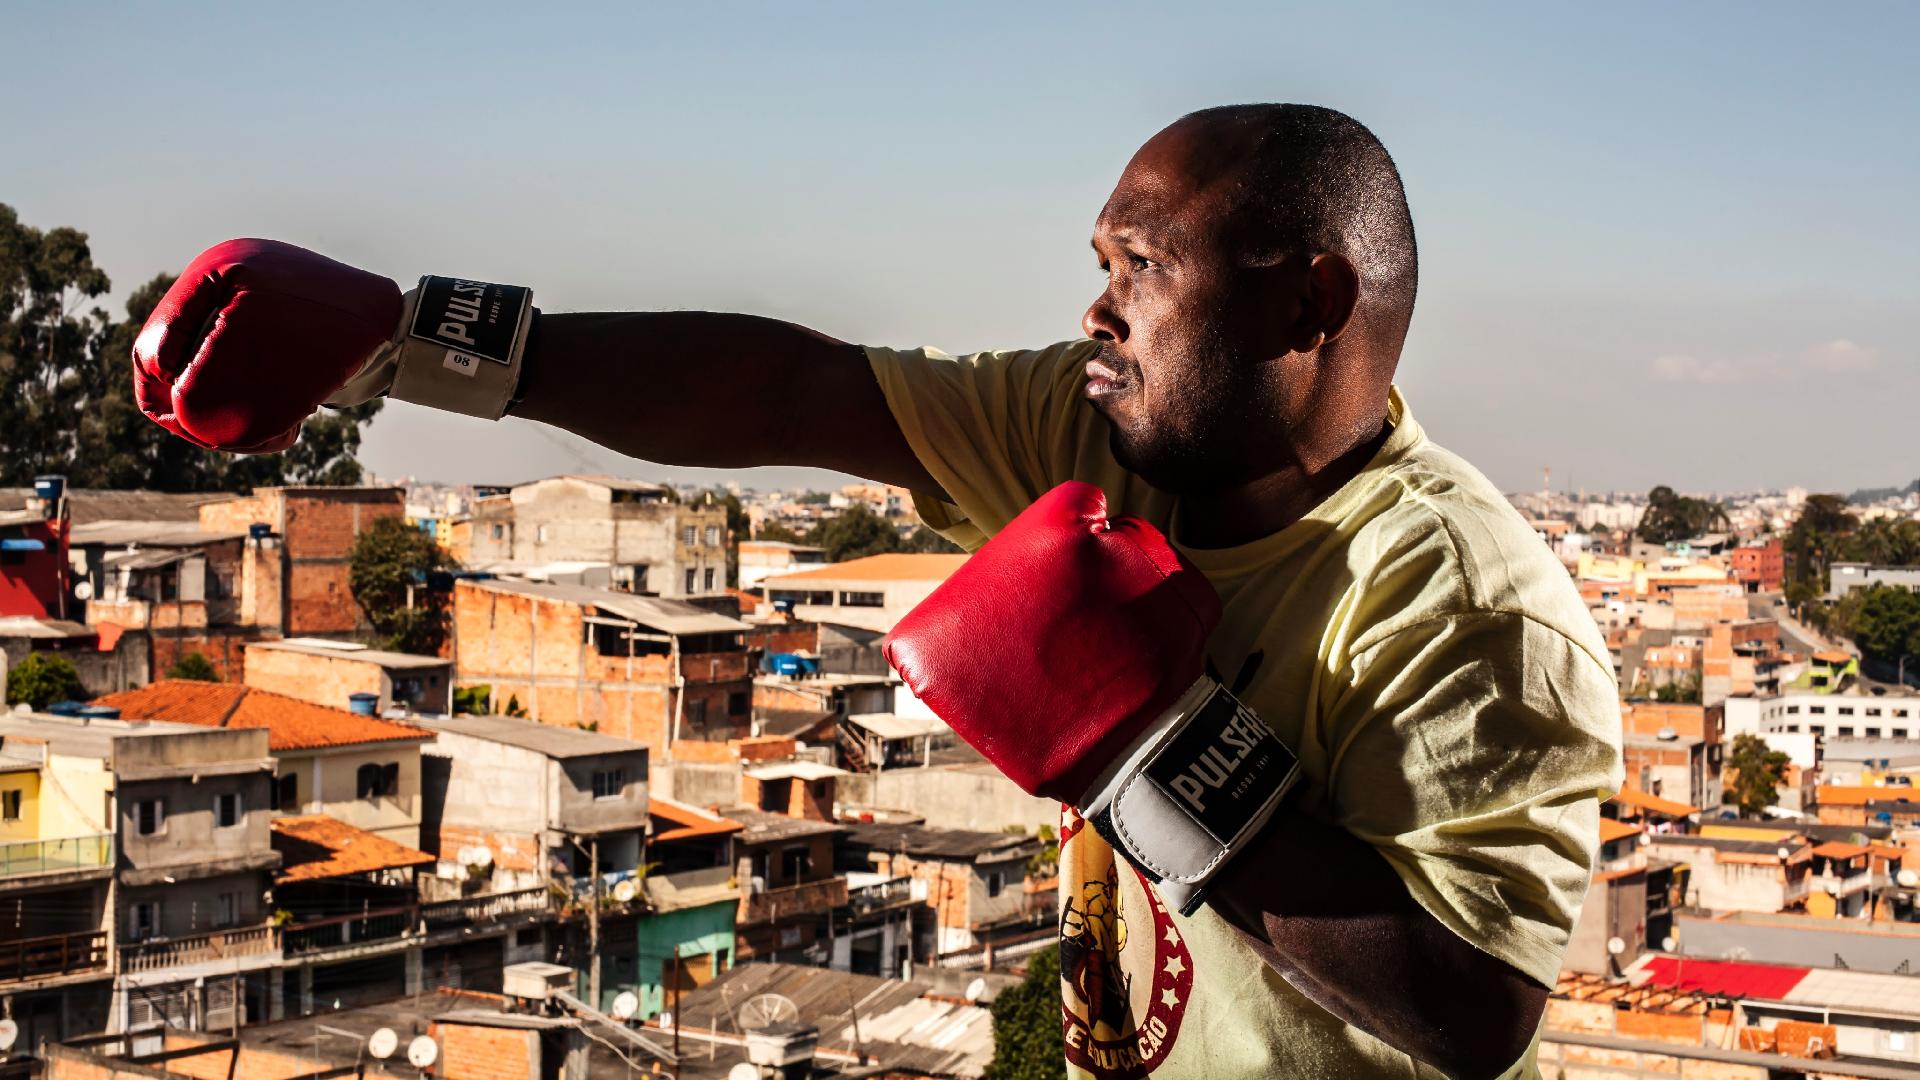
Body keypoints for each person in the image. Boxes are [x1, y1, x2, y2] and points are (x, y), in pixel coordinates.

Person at [132, 104, 1623, 1079]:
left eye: (1140, 268)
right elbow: (797, 385)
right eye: (1097, 262)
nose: (1094, 306)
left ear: (1308, 302)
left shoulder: (1468, 604)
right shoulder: (1095, 431)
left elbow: (1476, 1007)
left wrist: (1151, 750)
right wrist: (408, 337)